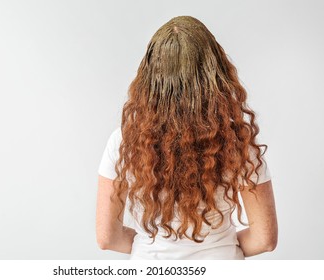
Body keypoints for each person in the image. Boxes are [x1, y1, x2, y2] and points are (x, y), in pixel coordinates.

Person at [96, 16, 278, 260]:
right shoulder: (238, 143)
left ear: (150, 76)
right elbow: (264, 239)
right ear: (216, 73)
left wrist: (152, 249)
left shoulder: (123, 142)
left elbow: (107, 238)